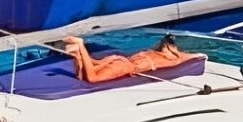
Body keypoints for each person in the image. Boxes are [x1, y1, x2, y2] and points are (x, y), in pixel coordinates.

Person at [60, 35, 192, 84]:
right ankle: (80, 45)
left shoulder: (151, 52)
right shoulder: (171, 59)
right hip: (124, 66)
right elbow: (186, 57)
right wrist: (200, 56)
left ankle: (77, 53)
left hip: (121, 60)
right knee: (93, 78)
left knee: (81, 76)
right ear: (170, 46)